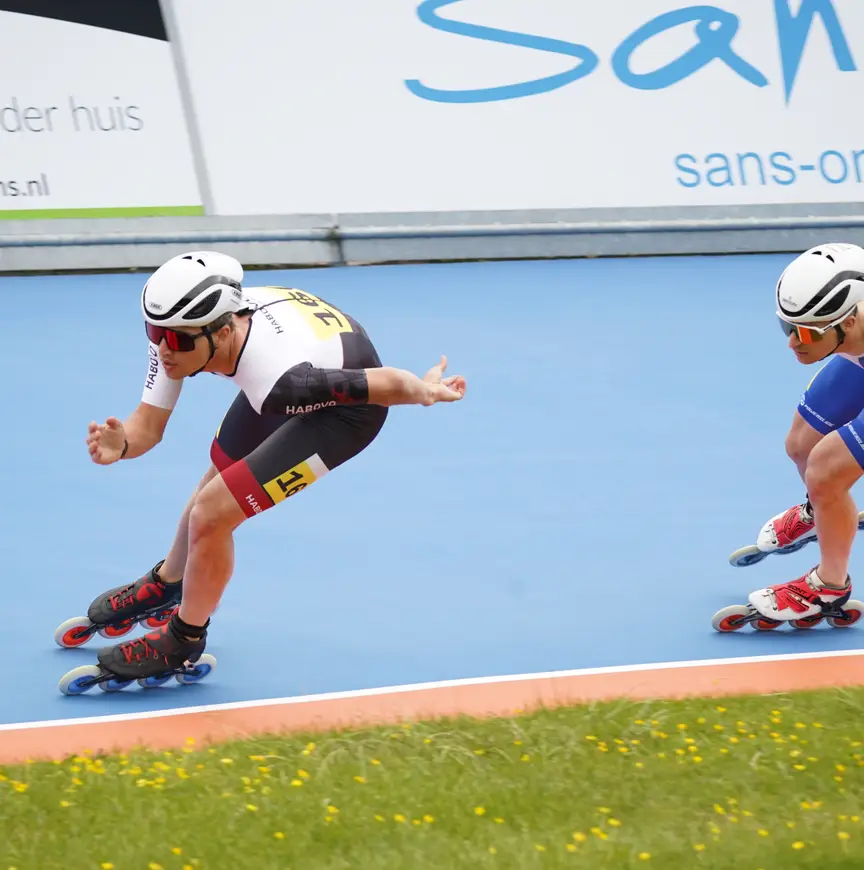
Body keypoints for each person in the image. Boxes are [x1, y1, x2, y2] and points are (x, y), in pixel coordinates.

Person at [82, 250, 466, 681]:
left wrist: (428, 390)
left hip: (348, 409)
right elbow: (148, 426)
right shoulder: (181, 329)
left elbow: (386, 383)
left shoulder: (279, 382)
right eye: (155, 333)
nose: (163, 349)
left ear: (223, 332)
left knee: (214, 512)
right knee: (216, 476)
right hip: (297, 357)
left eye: (176, 341)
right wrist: (124, 442)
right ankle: (171, 581)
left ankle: (184, 639)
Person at [747, 242, 864, 622]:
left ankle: (830, 586)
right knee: (801, 445)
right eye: (788, 327)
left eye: (807, 333)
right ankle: (824, 511)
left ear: (848, 320)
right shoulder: (847, 321)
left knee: (825, 470)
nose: (792, 342)